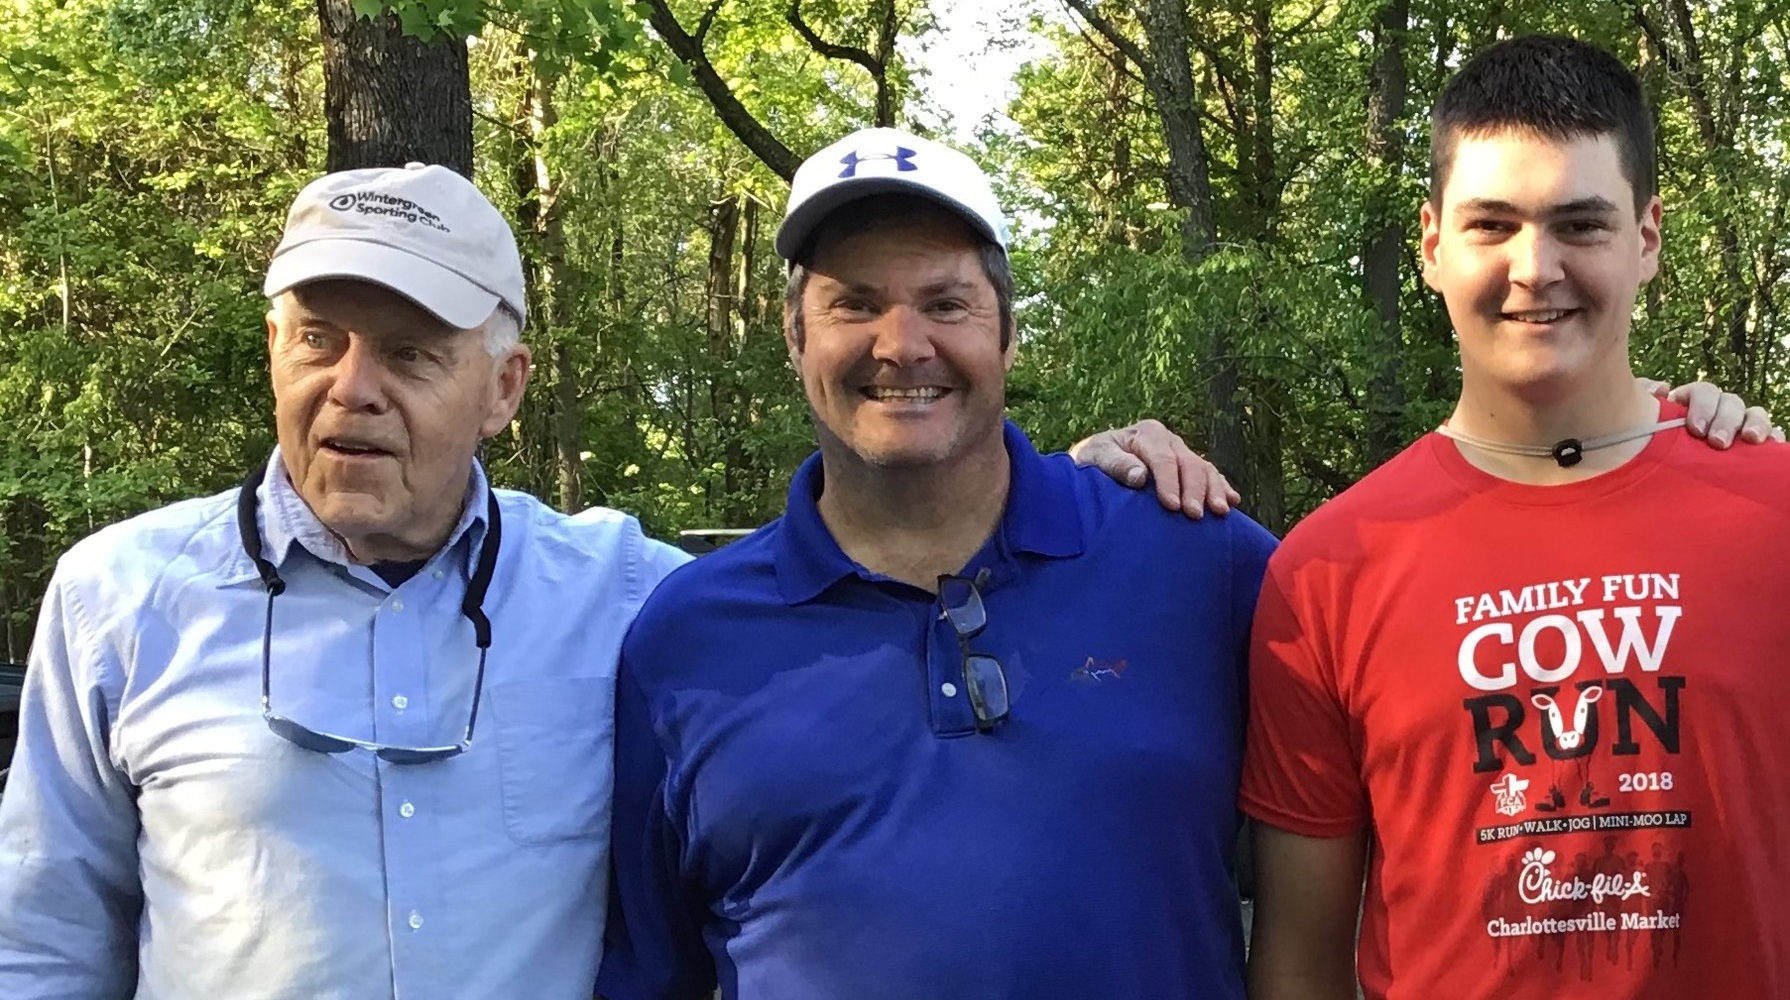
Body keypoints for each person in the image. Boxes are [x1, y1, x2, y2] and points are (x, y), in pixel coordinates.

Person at [595, 127, 1279, 999]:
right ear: (795, 337)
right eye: (855, 303)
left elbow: (1388, 787)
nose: (902, 344)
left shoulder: (1192, 555)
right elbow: (652, 971)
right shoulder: (686, 637)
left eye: (946, 303)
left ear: (1008, 335)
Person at [0, 162, 691, 999]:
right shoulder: (117, 596)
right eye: (319, 340)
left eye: (410, 354)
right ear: (273, 352)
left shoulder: (623, 597)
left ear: (504, 389)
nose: (354, 389)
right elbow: (44, 944)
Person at [1240, 35, 1790, 1000]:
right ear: (1431, 245)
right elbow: (1298, 960)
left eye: (1580, 223)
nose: (1535, 268)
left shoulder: (1773, 510)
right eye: (1492, 224)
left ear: (1648, 238)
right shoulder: (1325, 572)